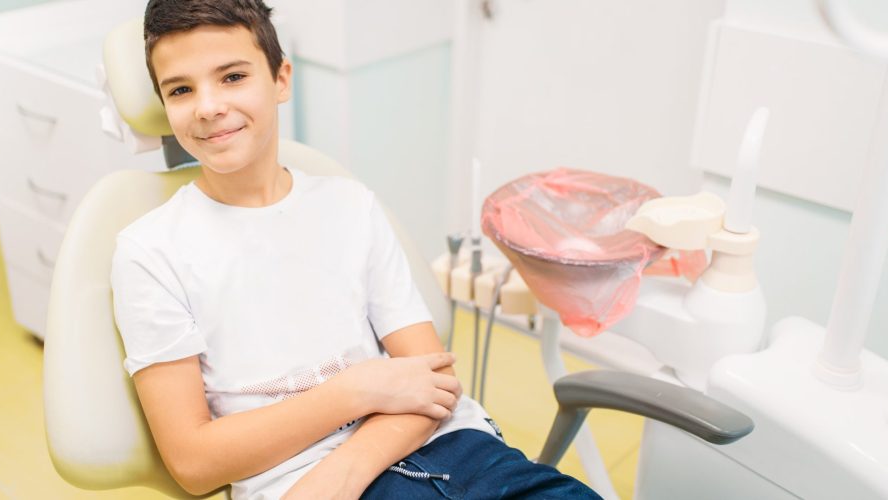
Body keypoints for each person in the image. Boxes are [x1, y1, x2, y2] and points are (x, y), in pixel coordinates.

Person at [111, 1, 602, 498]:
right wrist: (356, 390)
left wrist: (342, 471)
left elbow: (435, 382)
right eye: (181, 89)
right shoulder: (150, 253)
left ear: (281, 79)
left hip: (452, 448)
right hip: (292, 478)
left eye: (233, 77)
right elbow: (193, 463)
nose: (208, 106)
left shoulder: (348, 205)